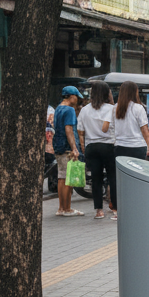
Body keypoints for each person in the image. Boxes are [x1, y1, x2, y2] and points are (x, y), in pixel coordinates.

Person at [78, 81, 116, 220]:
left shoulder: (84, 110)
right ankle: (115, 208)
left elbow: (80, 131)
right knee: (113, 177)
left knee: (96, 179)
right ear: (107, 93)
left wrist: (83, 146)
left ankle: (99, 210)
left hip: (91, 147)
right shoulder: (111, 108)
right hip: (108, 145)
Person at [53, 86, 83, 217]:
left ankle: (61, 208)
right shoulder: (70, 110)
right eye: (76, 97)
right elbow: (69, 130)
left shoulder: (58, 108)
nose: (77, 100)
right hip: (66, 146)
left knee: (61, 177)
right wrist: (74, 148)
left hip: (58, 145)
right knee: (68, 178)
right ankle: (67, 208)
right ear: (72, 96)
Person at [109, 81, 149, 169]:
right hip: (137, 147)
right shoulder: (138, 108)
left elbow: (111, 128)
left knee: (122, 176)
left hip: (120, 147)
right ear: (134, 92)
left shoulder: (115, 108)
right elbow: (145, 131)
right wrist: (147, 147)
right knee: (137, 176)